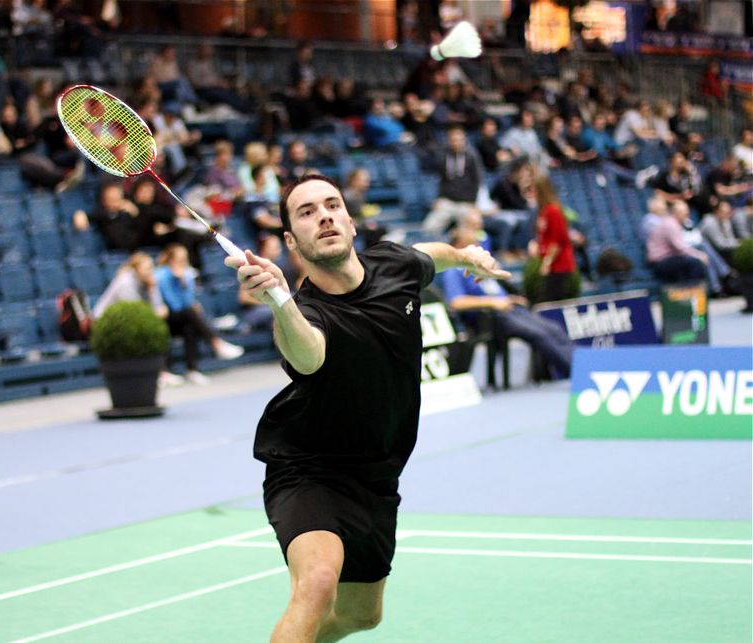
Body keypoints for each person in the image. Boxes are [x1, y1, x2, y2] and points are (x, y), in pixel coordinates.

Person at [223, 174, 507, 642]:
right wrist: (279, 299)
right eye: (307, 212)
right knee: (316, 584)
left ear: (351, 222)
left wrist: (464, 256)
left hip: (377, 475)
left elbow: (428, 255)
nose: (324, 216)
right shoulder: (306, 315)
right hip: (309, 466)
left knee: (362, 616)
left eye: (331, 205)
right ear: (292, 241)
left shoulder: (395, 264)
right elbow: (307, 354)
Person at [443, 227, 573, 377]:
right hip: (490, 317)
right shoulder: (453, 271)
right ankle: (576, 371)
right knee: (539, 334)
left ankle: (584, 364)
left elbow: (492, 289)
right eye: (474, 244)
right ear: (460, 245)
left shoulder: (477, 267)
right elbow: (456, 302)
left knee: (553, 328)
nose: (478, 247)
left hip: (509, 308)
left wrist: (509, 298)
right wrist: (493, 303)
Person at [92, 251, 186, 386]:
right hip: (104, 323)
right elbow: (136, 313)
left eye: (151, 268)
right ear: (136, 269)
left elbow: (158, 306)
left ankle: (162, 371)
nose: (150, 272)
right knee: (149, 330)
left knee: (160, 326)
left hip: (125, 321)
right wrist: (156, 311)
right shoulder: (125, 283)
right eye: (147, 269)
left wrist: (153, 289)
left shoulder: (148, 281)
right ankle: (158, 372)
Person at [156, 244, 244, 385]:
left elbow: (189, 300)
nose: (183, 262)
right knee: (190, 313)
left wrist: (183, 281)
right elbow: (173, 303)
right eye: (179, 259)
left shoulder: (188, 274)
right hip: (165, 318)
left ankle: (192, 370)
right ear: (171, 259)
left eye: (184, 259)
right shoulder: (161, 274)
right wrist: (177, 280)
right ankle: (215, 343)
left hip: (183, 318)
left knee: (190, 327)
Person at [534, 175, 576, 302]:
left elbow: (557, 240)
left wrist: (547, 262)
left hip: (559, 264)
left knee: (551, 300)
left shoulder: (553, 210)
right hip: (551, 264)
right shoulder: (543, 211)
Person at [646, 200, 708, 285]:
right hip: (660, 261)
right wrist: (699, 255)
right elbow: (680, 247)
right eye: (685, 214)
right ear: (677, 213)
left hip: (670, 258)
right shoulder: (670, 224)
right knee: (694, 262)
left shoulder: (673, 223)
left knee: (695, 257)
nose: (687, 216)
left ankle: (693, 291)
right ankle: (693, 291)